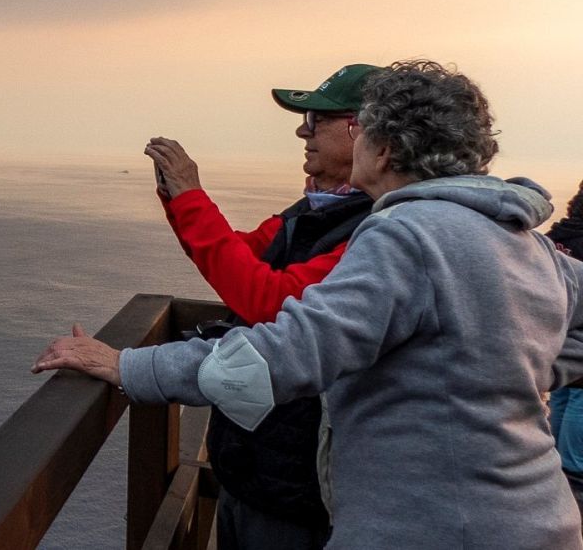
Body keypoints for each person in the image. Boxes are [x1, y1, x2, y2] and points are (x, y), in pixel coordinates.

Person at [35, 61, 583, 550]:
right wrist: (509, 364)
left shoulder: (406, 235)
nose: (305, 131)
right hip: (537, 517)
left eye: (353, 127)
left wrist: (129, 366)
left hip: (431, 527)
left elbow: (286, 352)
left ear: (383, 148)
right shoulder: (520, 238)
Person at [144, 63, 378, 549]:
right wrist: (178, 196)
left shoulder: (376, 233)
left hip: (301, 491)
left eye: (316, 120)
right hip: (258, 472)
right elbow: (239, 255)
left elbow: (268, 300)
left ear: (361, 128)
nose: (302, 132)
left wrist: (191, 196)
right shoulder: (316, 210)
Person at [549, 180, 583, 520]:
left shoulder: (559, 234)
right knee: (580, 399)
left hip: (554, 327)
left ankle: (561, 459)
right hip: (579, 329)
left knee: (563, 394)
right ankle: (576, 469)